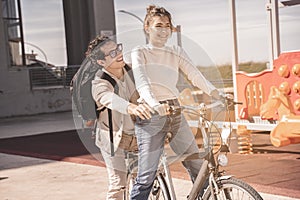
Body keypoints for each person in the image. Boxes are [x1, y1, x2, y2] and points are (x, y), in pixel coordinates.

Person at [130, 5, 223, 199]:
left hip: (174, 110)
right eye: (158, 25)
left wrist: (217, 94)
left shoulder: (176, 51)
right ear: (147, 27)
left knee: (197, 164)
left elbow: (195, 75)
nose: (164, 30)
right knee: (146, 176)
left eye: (167, 25)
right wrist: (155, 104)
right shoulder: (140, 52)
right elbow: (142, 82)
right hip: (151, 114)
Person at [89, 35, 153, 200]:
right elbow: (108, 98)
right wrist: (131, 107)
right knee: (118, 185)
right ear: (101, 62)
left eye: (118, 48)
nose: (118, 53)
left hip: (136, 136)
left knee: (148, 178)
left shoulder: (132, 71)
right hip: (113, 140)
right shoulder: (99, 83)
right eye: (112, 53)